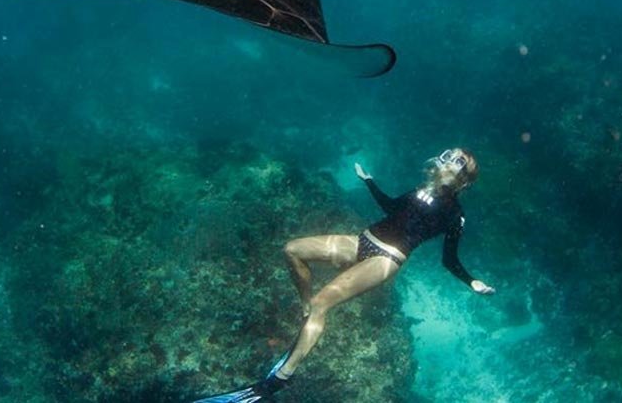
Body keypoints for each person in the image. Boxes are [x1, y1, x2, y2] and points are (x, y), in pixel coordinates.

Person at [195, 147, 495, 403]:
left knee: (323, 303)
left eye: (458, 162)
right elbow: (392, 207)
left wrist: (471, 281)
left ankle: (276, 381)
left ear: (464, 180)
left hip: (387, 258)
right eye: (450, 155)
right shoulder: (421, 190)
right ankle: (305, 307)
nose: (449, 160)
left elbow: (449, 258)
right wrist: (368, 181)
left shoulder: (455, 213)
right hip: (362, 241)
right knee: (292, 250)